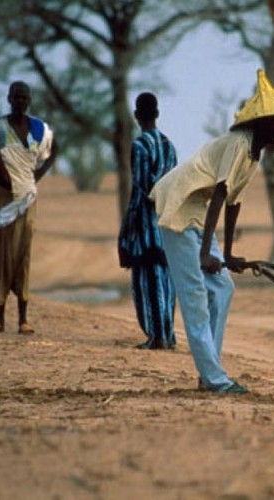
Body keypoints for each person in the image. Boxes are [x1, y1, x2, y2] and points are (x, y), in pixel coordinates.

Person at [149, 69, 274, 394]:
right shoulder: (239, 143)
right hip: (178, 207)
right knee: (195, 296)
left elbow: (234, 203)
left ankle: (210, 373)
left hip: (197, 212)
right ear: (262, 123)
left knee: (223, 288)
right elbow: (220, 193)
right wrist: (207, 251)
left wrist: (230, 254)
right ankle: (216, 381)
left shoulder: (254, 154)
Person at [0, 81, 58, 335]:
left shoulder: (39, 129)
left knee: (23, 254)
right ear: (8, 98)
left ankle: (23, 319)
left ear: (29, 100)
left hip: (26, 199)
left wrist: (37, 177)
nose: (19, 101)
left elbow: (54, 149)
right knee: (1, 253)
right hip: (1, 197)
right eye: (16, 96)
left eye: (24, 97)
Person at [118, 92, 178, 349]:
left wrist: (128, 228)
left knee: (147, 282)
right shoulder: (169, 145)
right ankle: (168, 334)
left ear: (136, 115)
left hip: (146, 226)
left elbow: (143, 188)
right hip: (168, 222)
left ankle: (157, 337)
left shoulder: (140, 146)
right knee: (166, 280)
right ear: (157, 114)